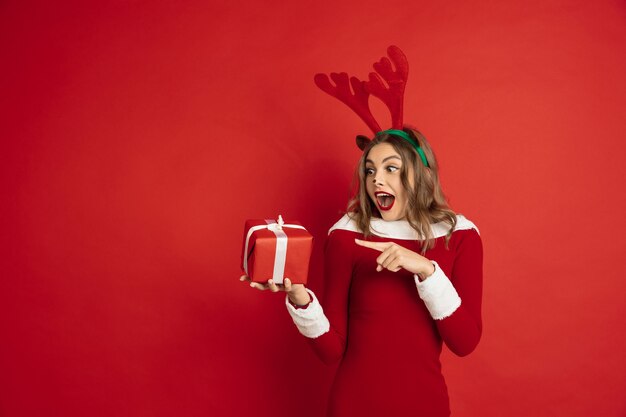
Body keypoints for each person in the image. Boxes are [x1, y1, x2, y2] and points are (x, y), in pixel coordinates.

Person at [240, 127, 483, 417]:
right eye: (370, 171)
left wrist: (427, 270)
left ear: (423, 174)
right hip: (353, 406)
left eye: (391, 168)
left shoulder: (459, 236)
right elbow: (331, 350)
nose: (376, 179)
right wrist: (299, 297)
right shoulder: (346, 235)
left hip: (425, 406)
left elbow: (465, 342)